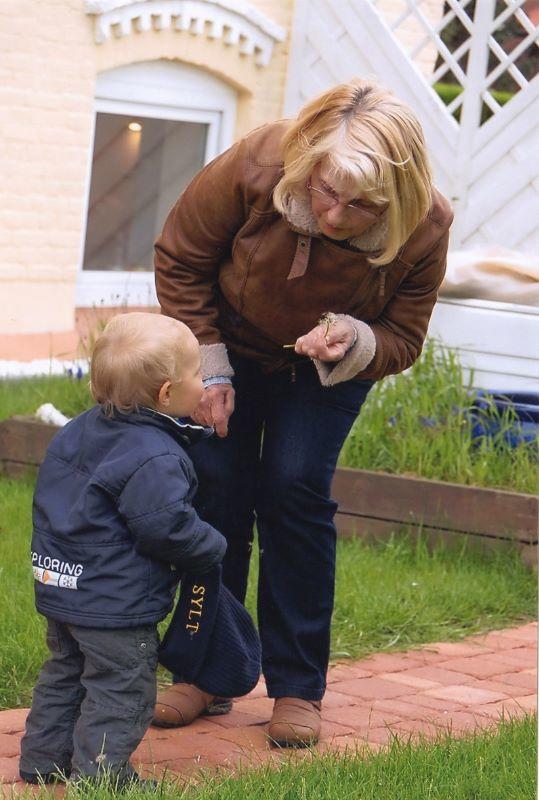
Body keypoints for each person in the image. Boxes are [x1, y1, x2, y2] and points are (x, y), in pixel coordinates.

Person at [153, 78, 454, 747]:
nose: (336, 216)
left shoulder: (426, 224)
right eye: (324, 192)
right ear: (308, 162)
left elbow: (403, 336)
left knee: (293, 490)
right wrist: (208, 366)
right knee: (215, 492)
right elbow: (180, 258)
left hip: (324, 367)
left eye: (360, 205)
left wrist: (352, 335)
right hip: (224, 342)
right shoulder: (258, 162)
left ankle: (296, 689)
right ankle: (204, 673)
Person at [19, 312, 229, 786]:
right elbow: (166, 526)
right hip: (115, 603)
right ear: (166, 394)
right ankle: (101, 777)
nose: (203, 381)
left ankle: (42, 760)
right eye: (197, 373)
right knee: (122, 686)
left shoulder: (78, 430)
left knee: (65, 673)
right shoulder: (154, 455)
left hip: (63, 586)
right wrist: (210, 544)